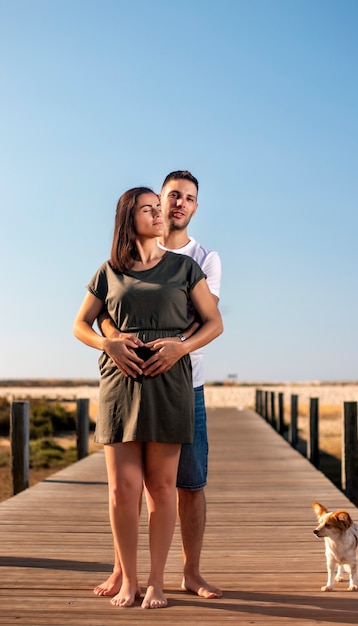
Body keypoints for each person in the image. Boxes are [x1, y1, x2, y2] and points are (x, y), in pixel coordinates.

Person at [73, 186, 223, 609]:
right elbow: (81, 325)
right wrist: (108, 343)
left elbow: (214, 323)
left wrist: (181, 347)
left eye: (161, 208)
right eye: (149, 209)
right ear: (128, 218)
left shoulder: (184, 267)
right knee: (122, 489)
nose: (159, 214)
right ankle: (129, 580)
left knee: (161, 487)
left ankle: (156, 582)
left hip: (169, 378)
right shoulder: (108, 270)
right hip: (119, 382)